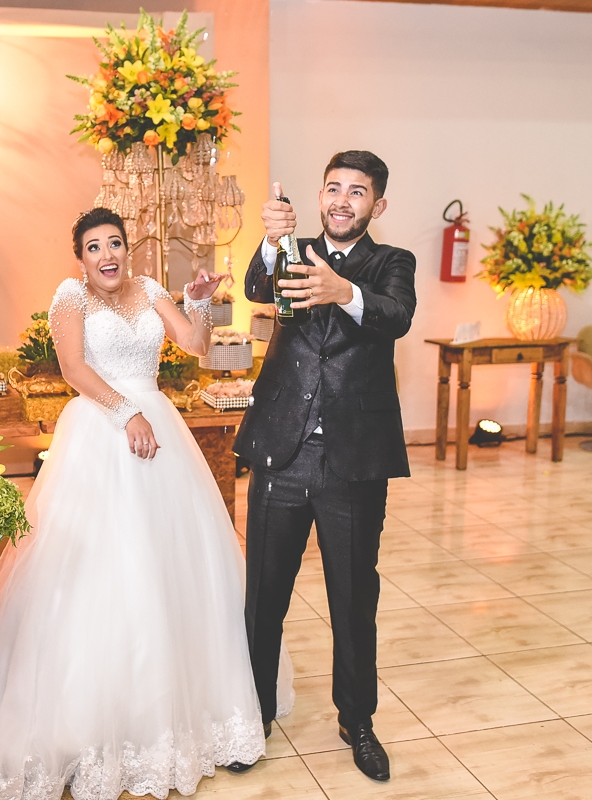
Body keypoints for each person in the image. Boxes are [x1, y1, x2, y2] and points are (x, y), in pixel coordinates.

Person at [0, 207, 290, 800]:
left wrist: (195, 303)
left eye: (114, 243)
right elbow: (72, 369)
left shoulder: (147, 289)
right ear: (81, 258)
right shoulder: (71, 299)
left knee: (170, 566)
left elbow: (194, 346)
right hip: (101, 430)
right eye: (94, 247)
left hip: (158, 433)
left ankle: (174, 707)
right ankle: (80, 718)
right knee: (94, 571)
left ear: (127, 249)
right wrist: (126, 414)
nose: (106, 255)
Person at [235, 150, 416, 782]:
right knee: (263, 596)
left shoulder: (392, 263)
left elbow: (396, 316)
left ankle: (357, 721)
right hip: (281, 452)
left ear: (377, 205)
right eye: (333, 188)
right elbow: (259, 288)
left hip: (352, 462)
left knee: (352, 596)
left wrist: (347, 293)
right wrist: (270, 241)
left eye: (357, 192)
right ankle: (252, 714)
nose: (342, 200)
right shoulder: (294, 248)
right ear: (319, 196)